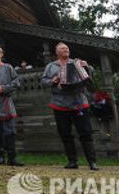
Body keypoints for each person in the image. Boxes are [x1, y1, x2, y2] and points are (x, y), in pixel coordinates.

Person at [41, 42, 99, 170]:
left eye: (67, 48)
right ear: (57, 52)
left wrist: (87, 66)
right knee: (65, 133)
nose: (66, 49)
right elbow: (43, 81)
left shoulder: (77, 62)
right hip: (60, 103)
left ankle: (92, 162)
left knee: (85, 132)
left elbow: (90, 74)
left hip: (78, 102)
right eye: (62, 48)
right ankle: (72, 161)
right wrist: (53, 81)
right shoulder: (51, 66)